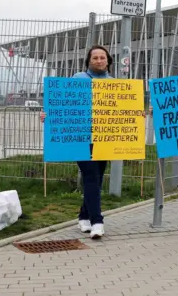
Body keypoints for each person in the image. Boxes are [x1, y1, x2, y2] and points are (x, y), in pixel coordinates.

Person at [40, 45, 113, 239]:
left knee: (97, 178)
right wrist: (48, 115)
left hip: (104, 138)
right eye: (95, 57)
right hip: (80, 137)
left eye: (102, 57)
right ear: (88, 60)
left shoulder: (114, 83)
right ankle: (97, 221)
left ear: (108, 61)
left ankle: (83, 216)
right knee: (90, 176)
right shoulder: (78, 78)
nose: (99, 61)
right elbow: (62, 101)